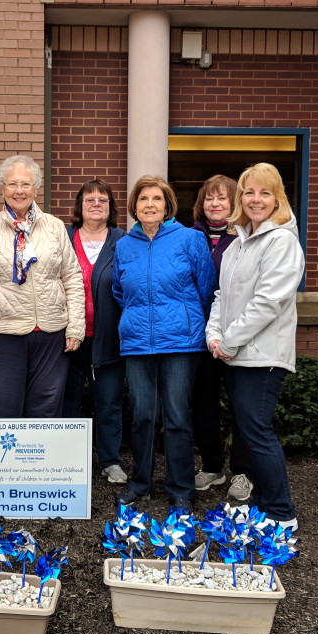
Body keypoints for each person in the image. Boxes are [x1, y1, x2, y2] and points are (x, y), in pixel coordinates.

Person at [206, 162, 303, 530]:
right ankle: (262, 504)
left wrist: (229, 341)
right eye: (249, 192)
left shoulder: (281, 241)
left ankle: (280, 512)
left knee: (257, 433)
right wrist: (214, 335)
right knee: (249, 432)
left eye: (264, 192)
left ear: (277, 198)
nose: (255, 199)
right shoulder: (238, 244)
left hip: (262, 357)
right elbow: (221, 296)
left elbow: (267, 302)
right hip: (235, 355)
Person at [112, 175, 215, 510]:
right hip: (138, 342)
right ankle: (140, 483)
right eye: (143, 200)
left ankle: (181, 489)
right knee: (142, 415)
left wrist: (185, 320)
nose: (150, 205)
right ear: (135, 207)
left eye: (157, 199)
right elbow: (119, 290)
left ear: (168, 205)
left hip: (181, 343)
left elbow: (205, 289)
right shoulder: (125, 245)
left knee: (176, 417)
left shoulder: (190, 239)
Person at [0, 154, 85, 417]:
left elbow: (72, 278)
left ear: (36, 188)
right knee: (2, 411)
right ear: (2, 188)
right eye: (12, 184)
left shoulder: (54, 227)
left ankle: (43, 461)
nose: (19, 191)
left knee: (46, 410)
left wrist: (75, 327)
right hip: (2, 334)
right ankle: (2, 460)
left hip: (52, 335)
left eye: (26, 184)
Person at [190, 174, 254, 502]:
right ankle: (213, 466)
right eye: (209, 199)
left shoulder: (246, 238)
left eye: (222, 199)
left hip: (239, 335)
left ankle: (243, 471)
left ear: (235, 203)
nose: (215, 204)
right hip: (200, 337)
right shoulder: (190, 236)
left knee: (242, 405)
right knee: (203, 405)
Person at [63, 180, 128, 484]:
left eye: (103, 199)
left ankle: (110, 460)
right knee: (68, 399)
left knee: (109, 401)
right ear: (79, 206)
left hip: (109, 337)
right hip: (68, 338)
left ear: (111, 207)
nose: (96, 204)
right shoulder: (63, 237)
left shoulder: (123, 241)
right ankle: (69, 461)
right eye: (89, 199)